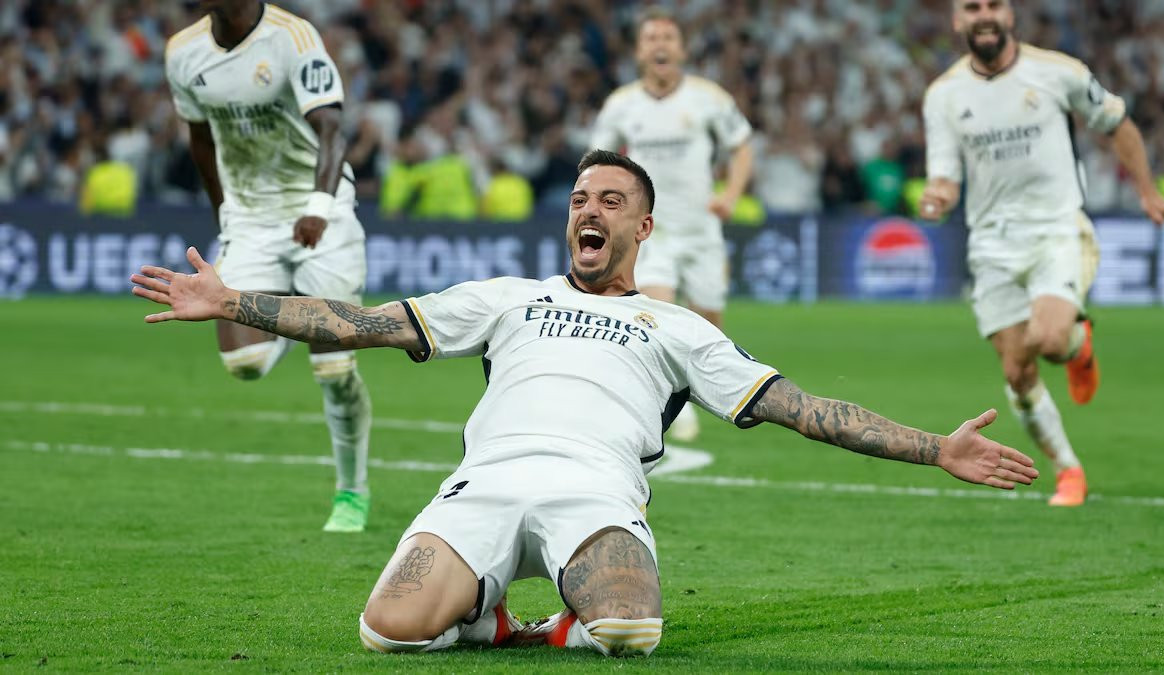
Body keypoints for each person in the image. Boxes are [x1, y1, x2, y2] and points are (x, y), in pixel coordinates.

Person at [132, 149, 1039, 658]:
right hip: (484, 484)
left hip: (595, 493)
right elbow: (363, 323)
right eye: (577, 199)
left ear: (642, 226)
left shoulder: (677, 327)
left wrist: (936, 447)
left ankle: (546, 617)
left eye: (609, 199)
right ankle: (491, 620)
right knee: (385, 630)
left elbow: (802, 407)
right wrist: (233, 301)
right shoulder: (507, 298)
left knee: (631, 629)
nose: (587, 210)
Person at [919, 0, 1164, 507]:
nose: (984, 15)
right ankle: (1068, 469)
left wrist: (1147, 191)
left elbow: (1118, 123)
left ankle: (1076, 344)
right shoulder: (943, 95)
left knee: (1050, 340)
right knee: (1017, 372)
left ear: (1010, 15)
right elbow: (944, 174)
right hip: (991, 245)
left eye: (994, 5)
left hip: (1056, 230)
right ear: (958, 20)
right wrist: (938, 196)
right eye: (972, 7)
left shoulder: (1059, 72)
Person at [164, 0, 373, 531]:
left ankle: (351, 492)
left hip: (319, 210)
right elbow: (200, 140)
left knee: (334, 372)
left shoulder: (293, 38)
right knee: (245, 363)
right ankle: (303, 319)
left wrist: (319, 207)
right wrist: (225, 216)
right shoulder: (183, 52)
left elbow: (332, 129)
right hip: (251, 220)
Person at [590, 6, 754, 443]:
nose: (660, 45)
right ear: (639, 52)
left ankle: (695, 394)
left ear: (681, 50)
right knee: (656, 314)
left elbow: (741, 146)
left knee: (709, 324)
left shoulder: (709, 98)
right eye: (651, 39)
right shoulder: (621, 105)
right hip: (651, 231)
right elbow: (597, 163)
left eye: (667, 38)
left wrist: (731, 195)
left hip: (701, 230)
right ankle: (667, 404)